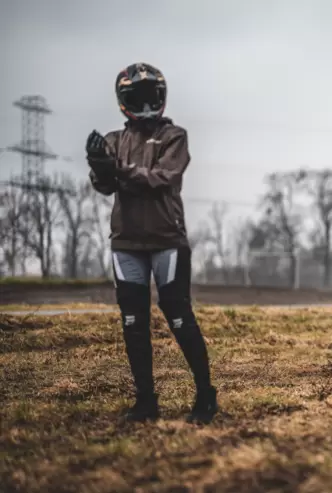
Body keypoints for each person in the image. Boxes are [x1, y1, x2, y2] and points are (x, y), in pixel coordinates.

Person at [86, 62, 218, 424]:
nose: (145, 105)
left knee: (179, 318)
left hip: (167, 241)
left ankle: (206, 394)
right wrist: (98, 164)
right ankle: (146, 402)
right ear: (124, 101)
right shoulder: (114, 141)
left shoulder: (175, 136)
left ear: (160, 98)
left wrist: (117, 171)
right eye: (137, 98)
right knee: (133, 322)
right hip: (125, 243)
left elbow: (163, 177)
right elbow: (104, 186)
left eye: (151, 97)